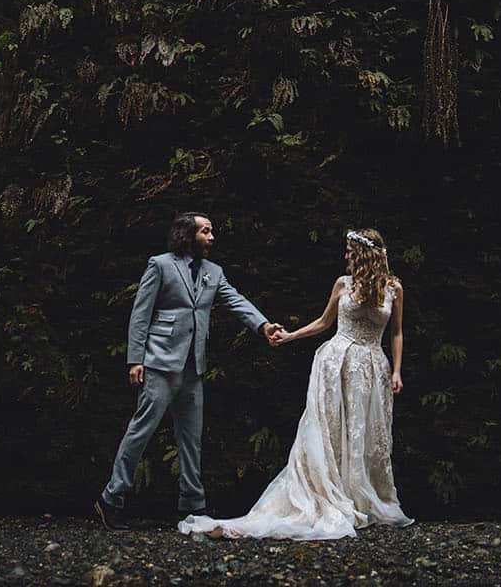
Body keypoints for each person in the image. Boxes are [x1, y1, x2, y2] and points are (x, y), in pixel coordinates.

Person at [177, 227, 414, 540]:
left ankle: (363, 498)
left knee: (366, 433)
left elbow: (396, 332)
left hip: (371, 367)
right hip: (335, 362)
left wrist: (396, 370)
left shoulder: (393, 288)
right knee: (330, 430)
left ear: (366, 255)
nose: (346, 257)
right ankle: (331, 495)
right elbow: (324, 323)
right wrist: (290, 336)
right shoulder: (343, 284)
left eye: (351, 252)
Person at [95, 212, 282, 531]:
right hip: (159, 361)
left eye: (212, 231)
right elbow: (141, 313)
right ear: (188, 234)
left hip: (193, 366)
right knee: (141, 430)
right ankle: (112, 498)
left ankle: (192, 506)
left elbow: (236, 301)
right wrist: (135, 359)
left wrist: (263, 325)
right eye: (206, 231)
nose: (212, 237)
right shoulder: (161, 265)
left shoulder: (214, 271)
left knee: (192, 438)